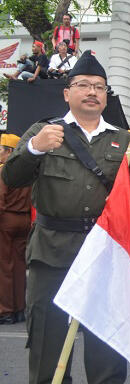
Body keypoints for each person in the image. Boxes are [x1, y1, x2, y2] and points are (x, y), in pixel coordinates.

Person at [1, 50, 130, 384]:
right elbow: (12, 177)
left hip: (105, 255)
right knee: (48, 345)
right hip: (52, 254)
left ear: (105, 95)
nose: (92, 92)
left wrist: (120, 213)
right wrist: (34, 149)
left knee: (106, 350)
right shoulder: (44, 131)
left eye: (99, 87)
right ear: (67, 92)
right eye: (83, 85)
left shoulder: (123, 141)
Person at [0, 133, 31, 325]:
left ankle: (5, 310)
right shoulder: (26, 170)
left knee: (4, 267)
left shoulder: (5, 170)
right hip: (24, 219)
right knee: (20, 265)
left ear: (9, 151)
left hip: (6, 220)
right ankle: (19, 308)